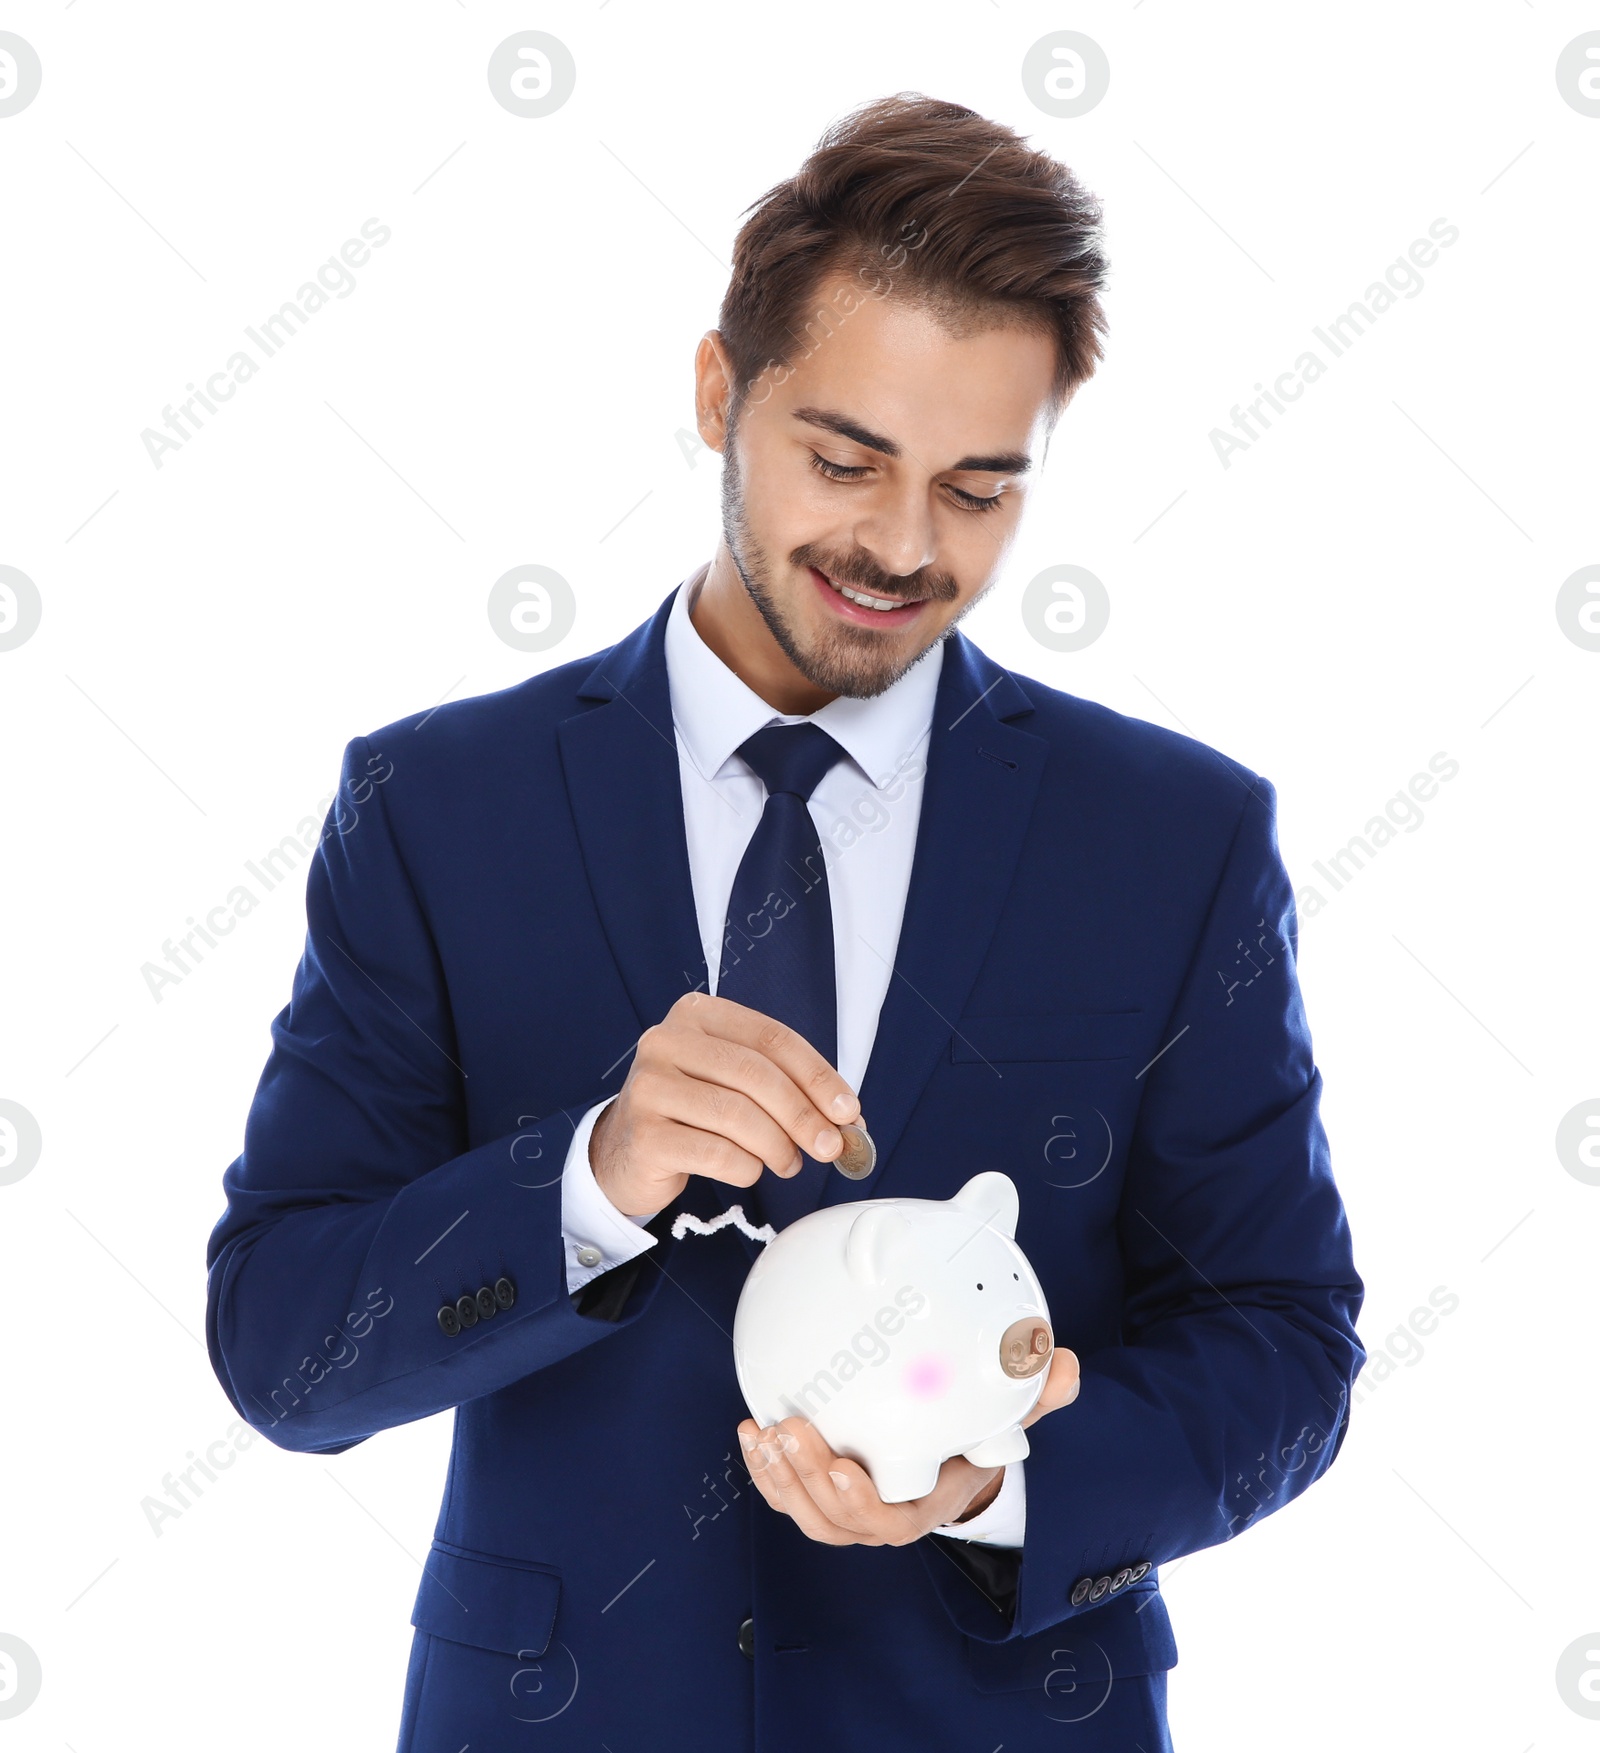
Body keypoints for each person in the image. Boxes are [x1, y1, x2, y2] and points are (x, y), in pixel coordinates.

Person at [205, 92, 1364, 1751]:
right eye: (844, 459)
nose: (902, 545)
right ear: (715, 395)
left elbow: (1287, 1346)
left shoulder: (1174, 837)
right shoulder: (438, 808)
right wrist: (586, 1181)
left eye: (981, 487)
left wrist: (1006, 1479)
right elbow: (283, 1348)